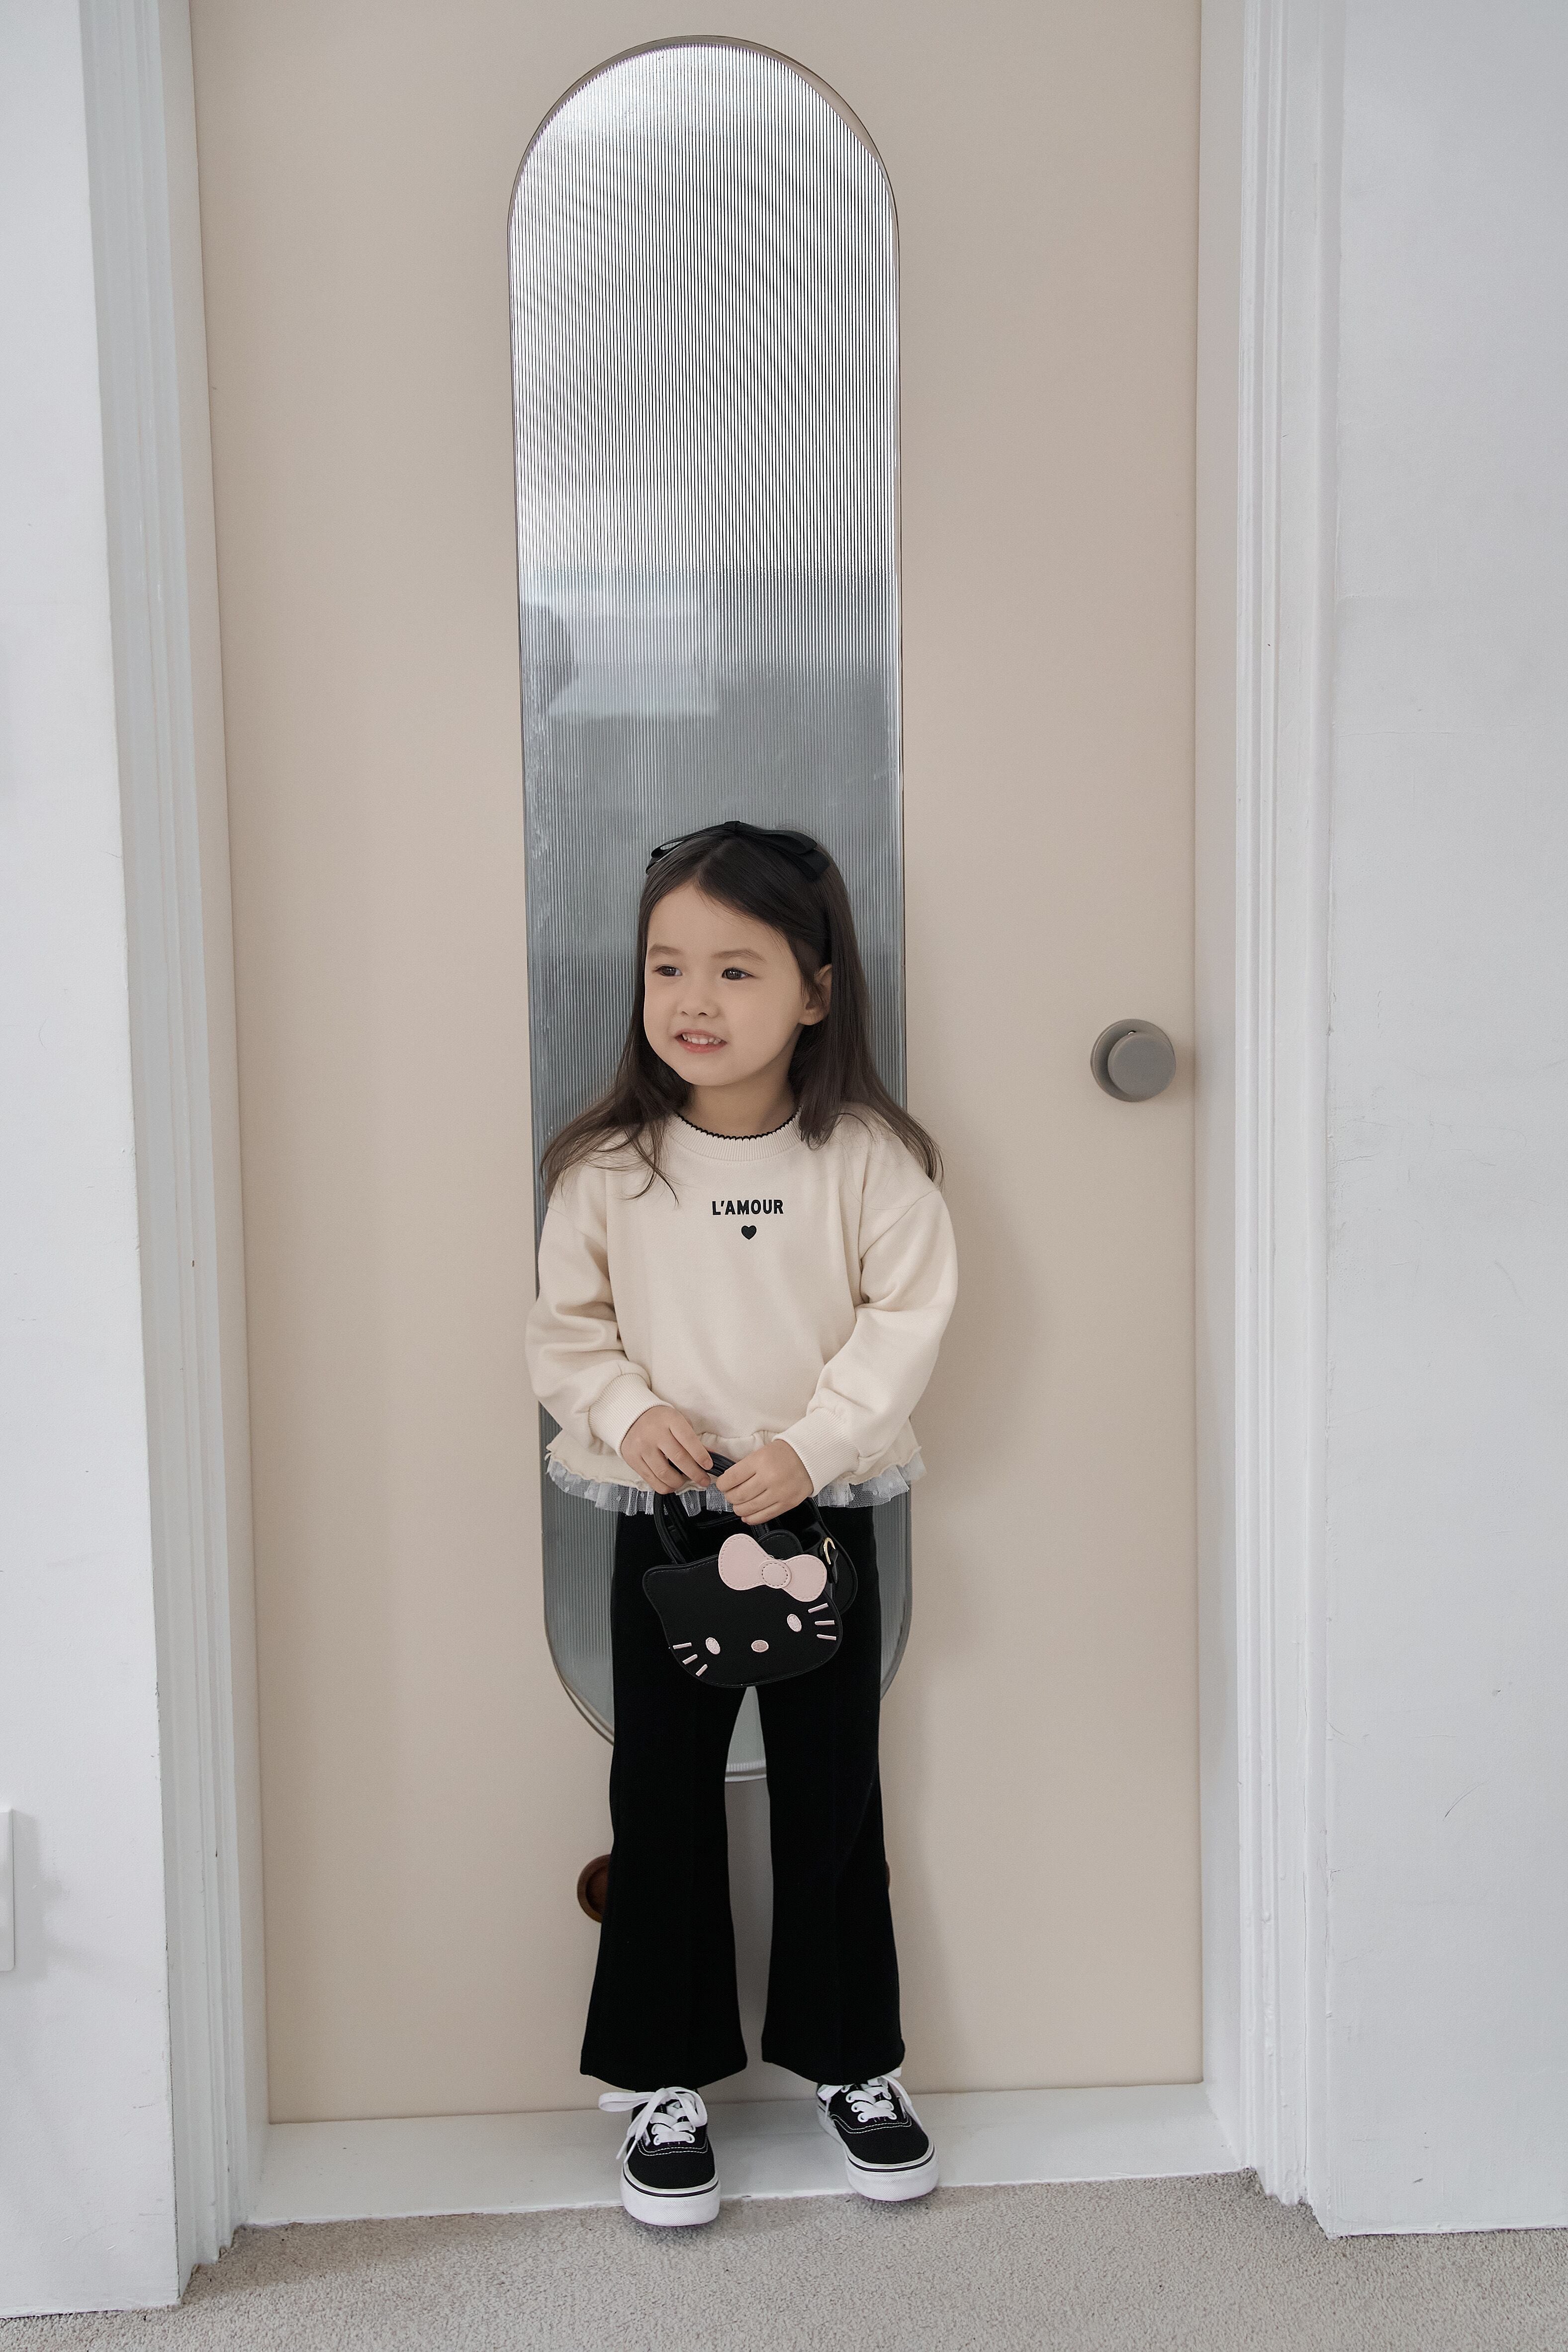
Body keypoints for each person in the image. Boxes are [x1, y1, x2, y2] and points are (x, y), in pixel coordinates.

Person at [526, 818, 957, 2227]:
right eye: (668, 967)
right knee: (662, 1796)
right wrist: (626, 1411)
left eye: (735, 968)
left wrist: (812, 1446)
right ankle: (661, 2073)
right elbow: (565, 1333)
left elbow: (908, 1319)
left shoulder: (872, 1160)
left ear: (815, 991)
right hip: (663, 1522)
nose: (694, 1000)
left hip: (822, 1514)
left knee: (835, 1790)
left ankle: (854, 2060)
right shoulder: (608, 1166)